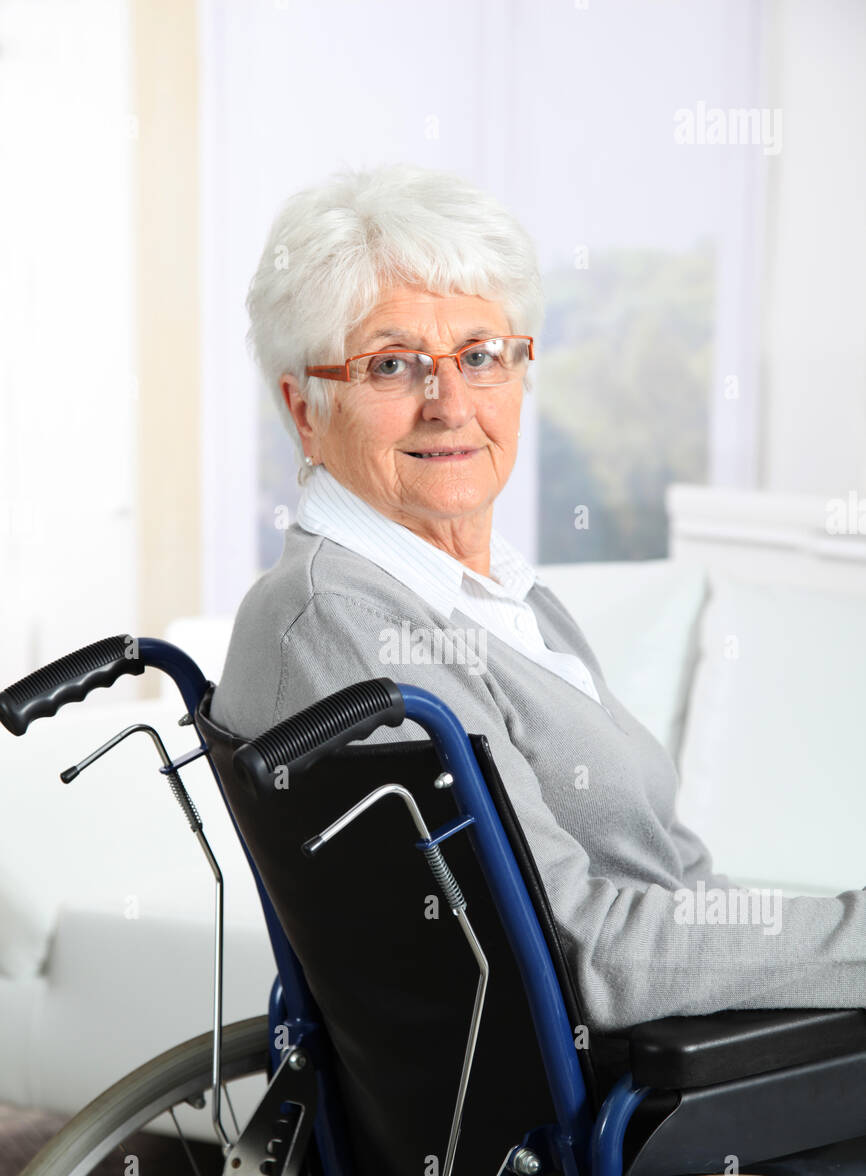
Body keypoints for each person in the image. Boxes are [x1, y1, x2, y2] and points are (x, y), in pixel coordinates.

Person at [211, 162, 866, 1036]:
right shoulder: (342, 620)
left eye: (480, 356)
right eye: (394, 365)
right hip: (624, 1092)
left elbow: (666, 879)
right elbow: (580, 946)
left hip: (691, 1024)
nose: (449, 405)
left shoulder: (492, 595)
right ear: (305, 408)